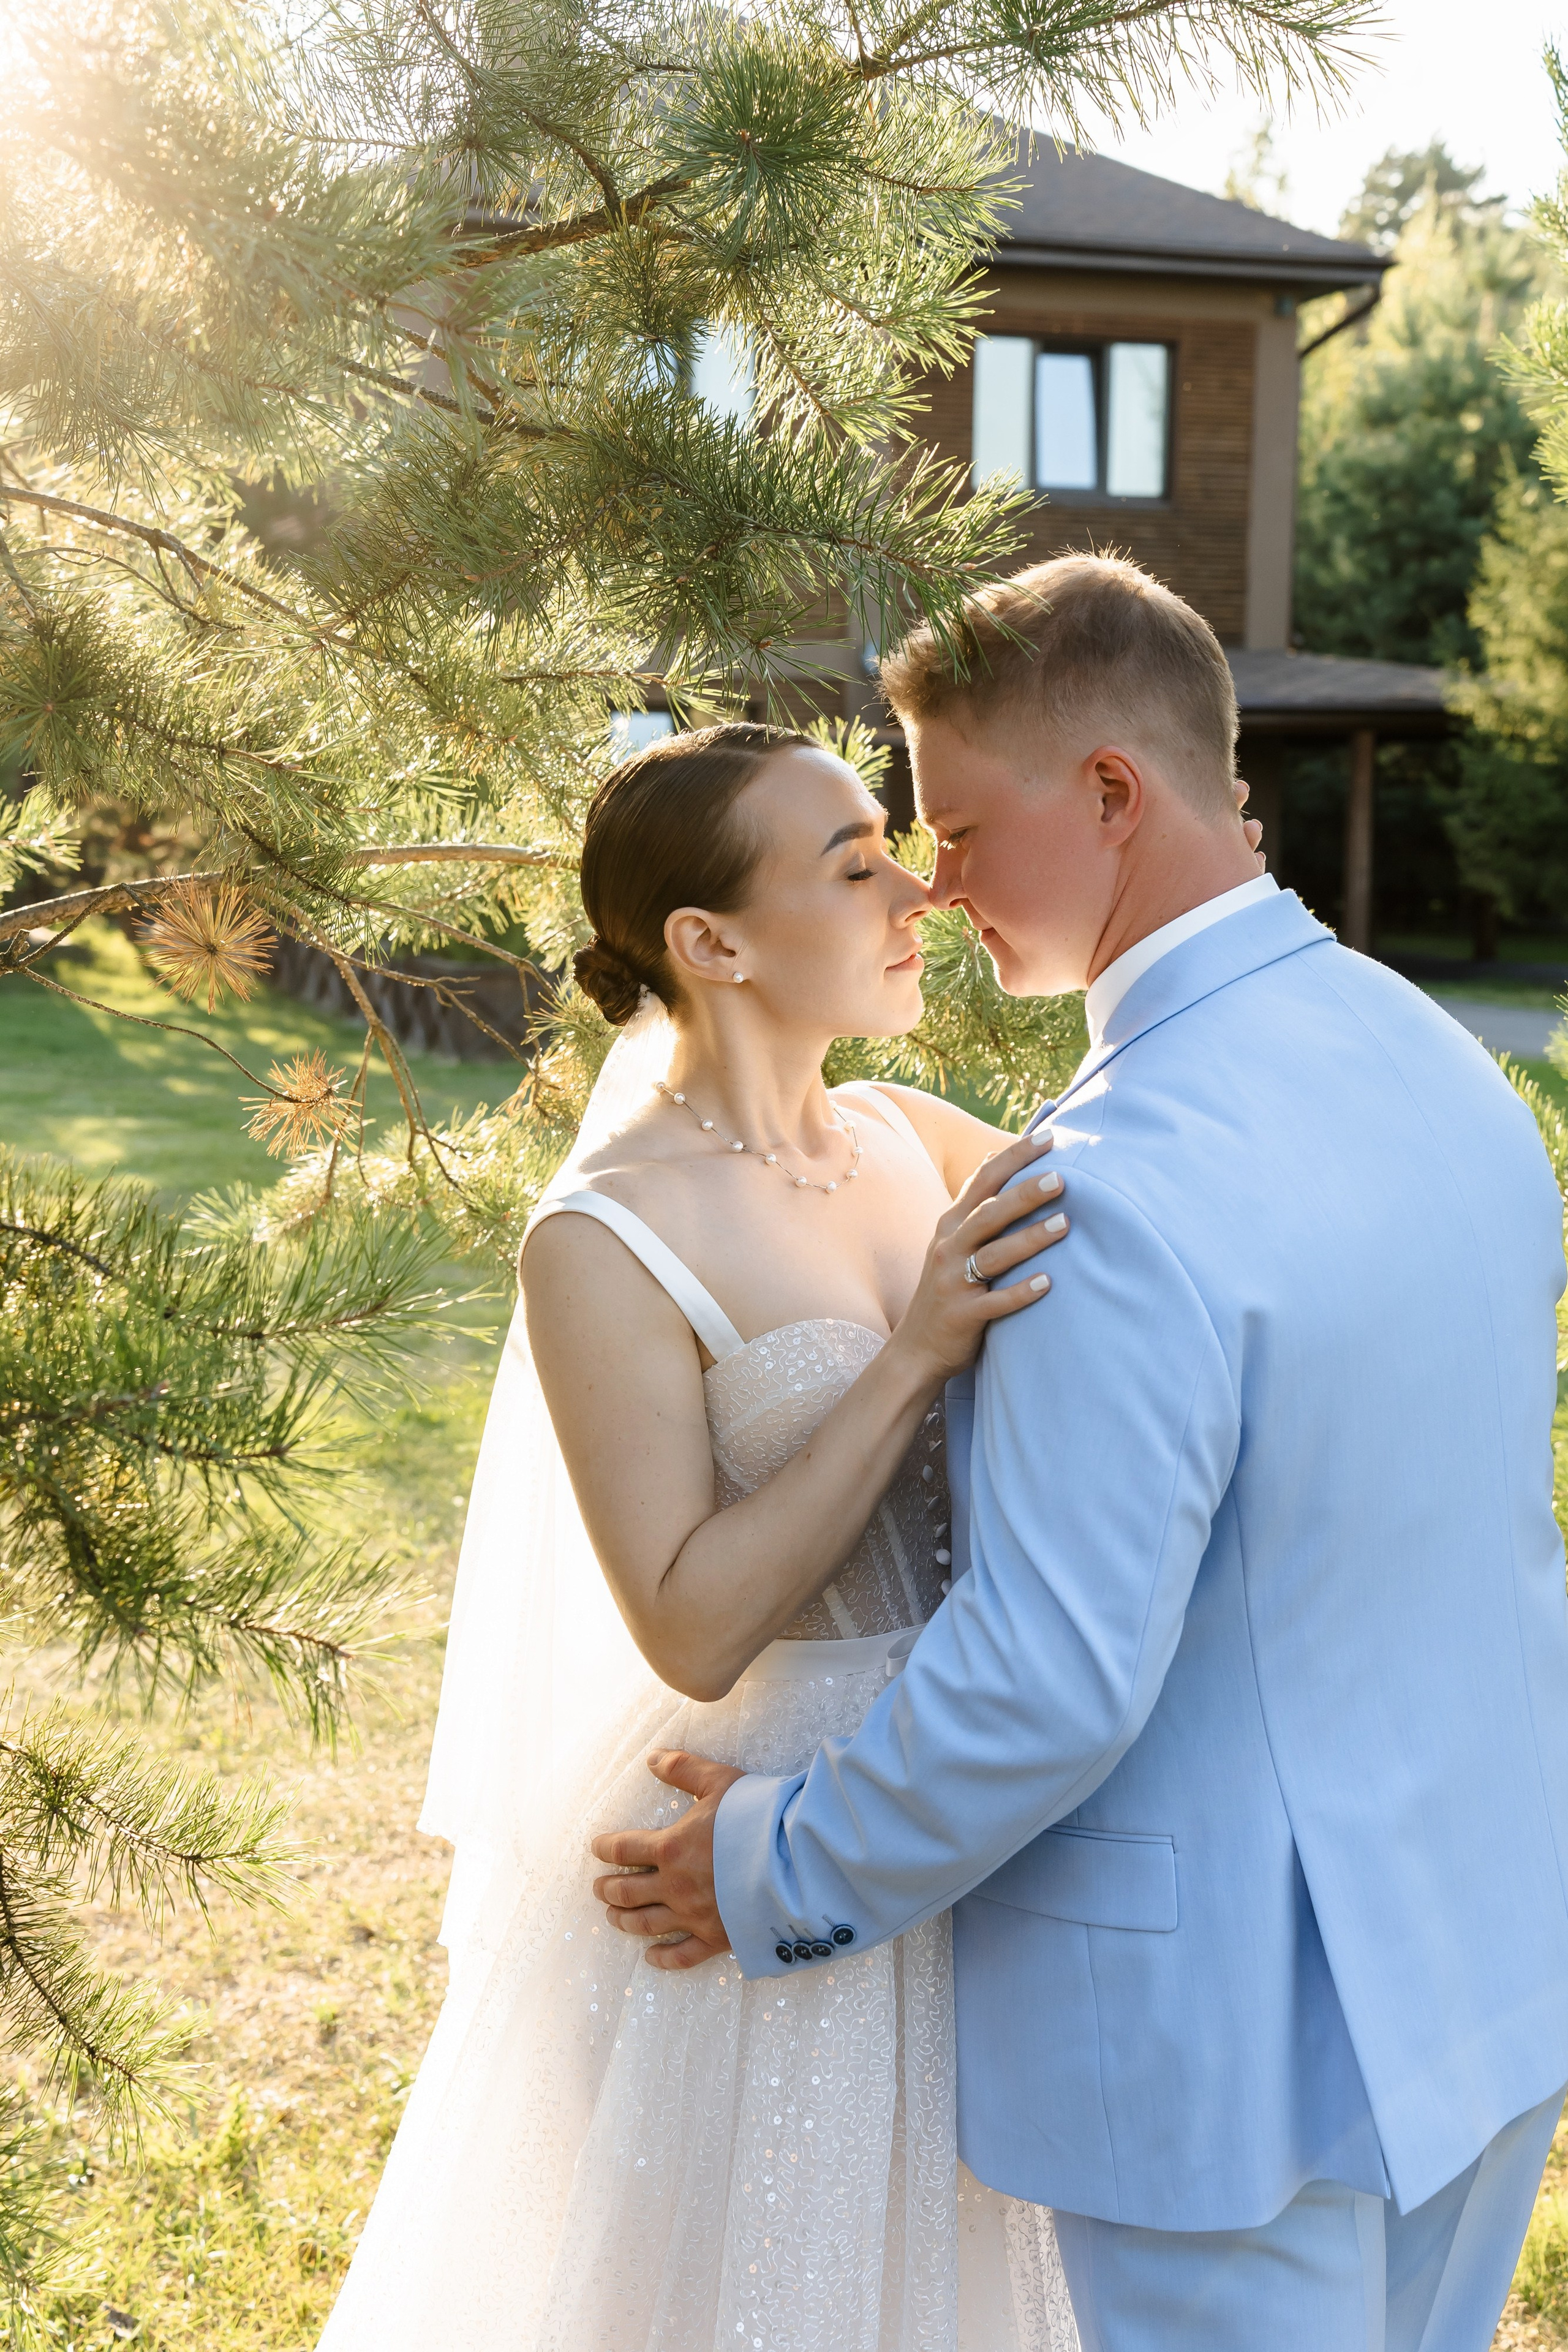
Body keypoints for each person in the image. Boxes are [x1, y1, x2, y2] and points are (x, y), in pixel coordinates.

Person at [592, 555, 1568, 2352]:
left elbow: (1048, 1680)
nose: (932, 879)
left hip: (1232, 2067)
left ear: (1111, 793)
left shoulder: (1099, 1194)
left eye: (958, 822)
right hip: (1489, 1980)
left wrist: (769, 1867)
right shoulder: (1445, 1066)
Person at [317, 715, 1146, 2352]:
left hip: (981, 1782)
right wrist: (913, 1354)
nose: (916, 886)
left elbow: (1162, 1253)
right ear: (711, 943)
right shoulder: (604, 1234)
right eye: (853, 866)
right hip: (753, 1830)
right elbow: (690, 1623)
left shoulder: (916, 1136)